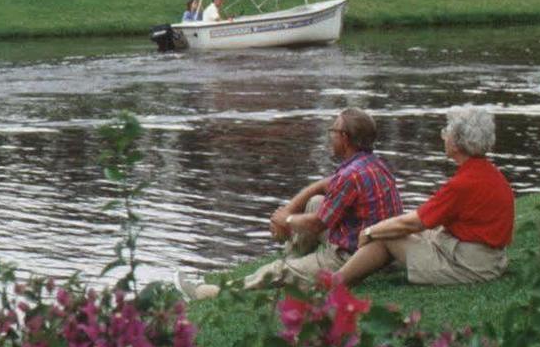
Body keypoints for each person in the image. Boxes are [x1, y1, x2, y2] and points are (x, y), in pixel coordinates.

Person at [184, 108, 401, 298]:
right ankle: (295, 258)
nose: (330, 136)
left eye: (332, 131)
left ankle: (214, 292)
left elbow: (318, 224)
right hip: (372, 246)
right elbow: (322, 186)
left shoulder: (350, 175)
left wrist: (285, 219)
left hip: (352, 256)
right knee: (316, 201)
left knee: (278, 271)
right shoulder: (374, 164)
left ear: (344, 137)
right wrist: (289, 210)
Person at [338, 106, 514, 287]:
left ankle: (333, 284)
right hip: (487, 258)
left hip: (469, 265)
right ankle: (354, 271)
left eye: (447, 131)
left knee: (385, 235)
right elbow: (426, 218)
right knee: (397, 229)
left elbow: (413, 223)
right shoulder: (490, 173)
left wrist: (369, 231)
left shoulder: (463, 183)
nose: (443, 136)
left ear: (457, 143)